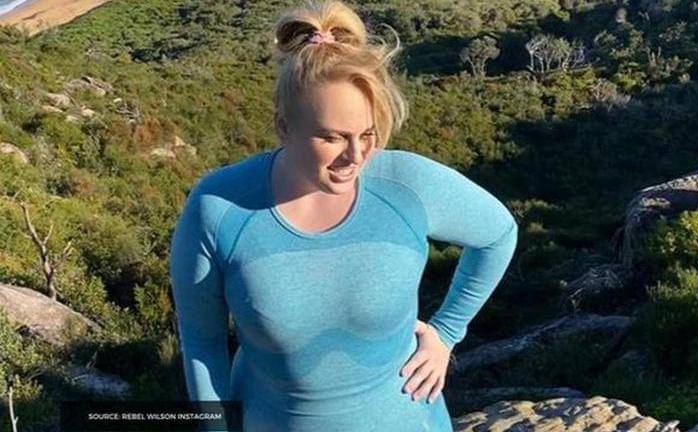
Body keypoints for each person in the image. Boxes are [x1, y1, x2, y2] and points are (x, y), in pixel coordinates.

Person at [168, 1, 518, 431]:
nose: (356, 156)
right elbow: (202, 344)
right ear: (283, 126)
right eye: (332, 138)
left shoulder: (406, 186)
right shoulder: (219, 207)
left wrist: (446, 333)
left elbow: (498, 234)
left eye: (367, 134)